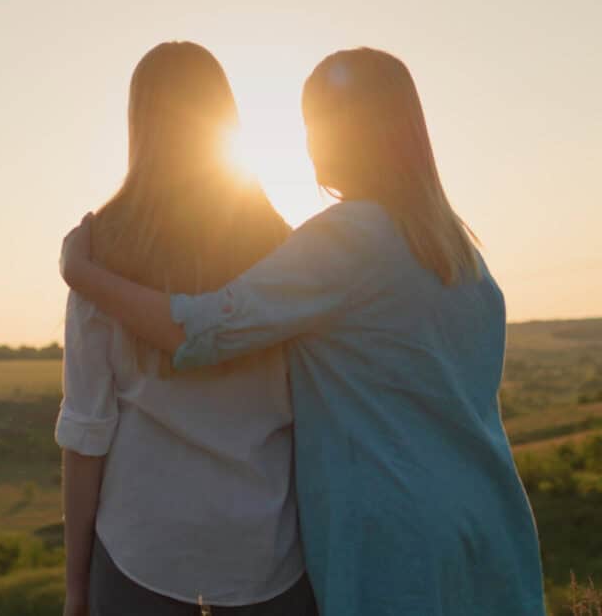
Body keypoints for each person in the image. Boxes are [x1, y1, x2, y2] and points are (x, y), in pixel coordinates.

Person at [59, 47, 547, 616]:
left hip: (392, 539)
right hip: (487, 522)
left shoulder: (346, 240)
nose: (309, 142)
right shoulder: (461, 253)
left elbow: (202, 330)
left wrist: (84, 274)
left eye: (317, 122)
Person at [55, 41, 318, 616]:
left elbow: (87, 431)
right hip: (267, 558)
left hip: (142, 556)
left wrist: (76, 589)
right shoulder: (283, 246)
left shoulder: (99, 252)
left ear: (137, 124)